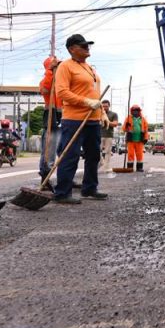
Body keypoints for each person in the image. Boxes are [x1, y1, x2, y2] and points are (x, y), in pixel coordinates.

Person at [53, 34, 107, 203]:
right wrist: (86, 101)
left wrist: (102, 112)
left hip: (93, 119)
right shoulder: (65, 67)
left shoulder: (89, 68)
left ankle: (89, 188)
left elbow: (95, 94)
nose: (87, 48)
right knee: (70, 156)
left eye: (87, 45)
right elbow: (62, 92)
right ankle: (62, 193)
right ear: (72, 49)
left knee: (93, 156)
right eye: (83, 46)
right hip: (74, 119)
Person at [38, 55, 62, 189]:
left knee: (65, 152)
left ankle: (66, 179)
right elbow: (45, 89)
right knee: (49, 152)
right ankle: (45, 178)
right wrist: (50, 71)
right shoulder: (45, 81)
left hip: (65, 118)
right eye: (56, 66)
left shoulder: (63, 81)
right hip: (51, 119)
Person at [122, 104, 149, 172]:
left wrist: (146, 138)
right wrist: (126, 126)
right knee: (130, 154)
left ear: (139, 111)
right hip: (130, 139)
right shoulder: (128, 118)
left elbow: (146, 129)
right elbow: (124, 129)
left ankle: (139, 168)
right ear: (131, 111)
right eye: (134, 110)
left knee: (140, 154)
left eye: (137, 110)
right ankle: (130, 168)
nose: (135, 112)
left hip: (140, 139)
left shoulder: (143, 119)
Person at [100, 100, 119, 169]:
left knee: (108, 152)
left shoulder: (113, 114)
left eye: (106, 106)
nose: (104, 108)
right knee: (96, 150)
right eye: (103, 106)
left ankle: (106, 167)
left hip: (109, 135)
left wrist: (108, 122)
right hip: (99, 135)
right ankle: (102, 162)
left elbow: (115, 124)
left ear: (109, 106)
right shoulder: (98, 113)